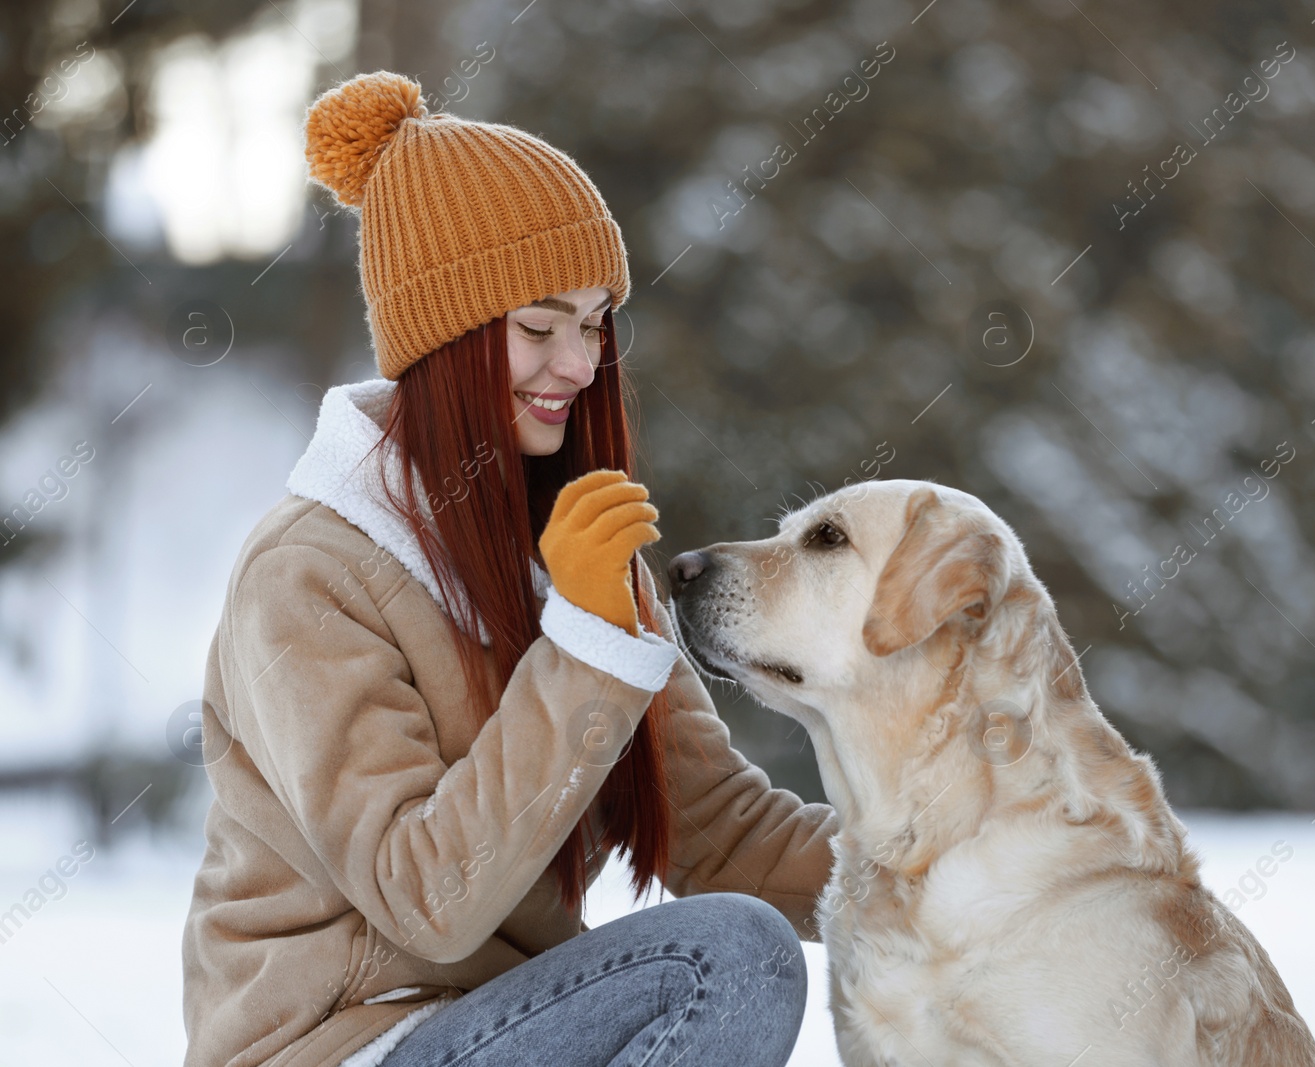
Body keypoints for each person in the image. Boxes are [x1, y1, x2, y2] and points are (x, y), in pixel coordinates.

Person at [179, 70, 838, 1067]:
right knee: (725, 958)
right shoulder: (308, 575)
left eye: (592, 324)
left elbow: (728, 834)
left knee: (742, 934)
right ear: (444, 339)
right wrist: (582, 640)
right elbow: (426, 897)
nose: (577, 364)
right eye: (538, 327)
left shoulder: (571, 558)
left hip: (509, 1025)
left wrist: (959, 849)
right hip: (337, 1045)